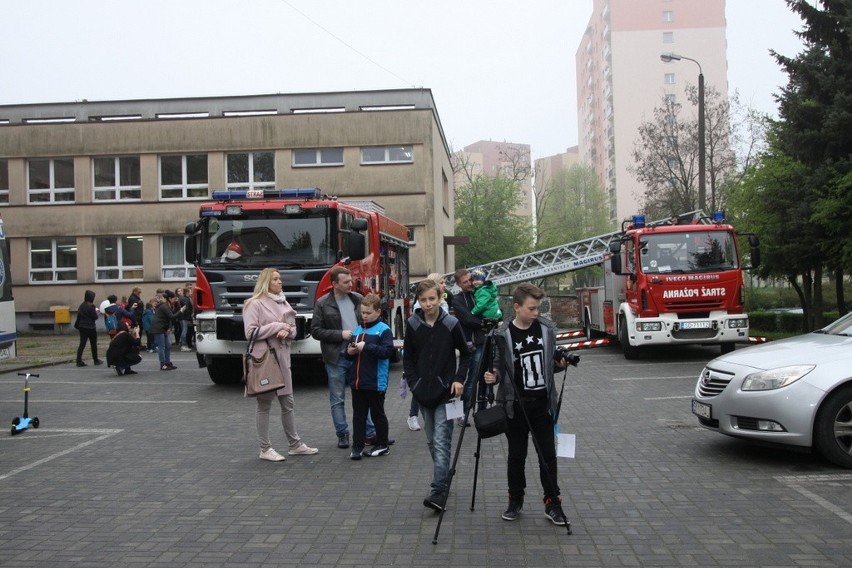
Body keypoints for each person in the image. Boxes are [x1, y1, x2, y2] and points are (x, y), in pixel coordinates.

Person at [483, 282, 570, 527]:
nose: (536, 313)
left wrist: (559, 365)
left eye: (538, 308)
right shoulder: (503, 335)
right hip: (515, 405)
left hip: (542, 404)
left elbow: (549, 363)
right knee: (516, 456)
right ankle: (515, 499)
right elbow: (499, 365)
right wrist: (495, 376)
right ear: (517, 307)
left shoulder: (546, 329)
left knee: (548, 456)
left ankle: (552, 502)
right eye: (532, 308)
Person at [402, 279, 471, 513]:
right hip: (423, 392)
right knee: (432, 441)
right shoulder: (412, 324)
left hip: (447, 393)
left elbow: (467, 354)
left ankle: (438, 490)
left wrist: (459, 379)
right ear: (418, 302)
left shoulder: (451, 323)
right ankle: (445, 475)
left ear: (440, 298)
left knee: (442, 441)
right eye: (423, 300)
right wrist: (414, 383)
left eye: (432, 299)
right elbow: (408, 358)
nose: (428, 304)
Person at [244, 267, 318, 462]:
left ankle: (295, 444)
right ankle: (265, 448)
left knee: (288, 402)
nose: (279, 282)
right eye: (275, 279)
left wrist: (288, 331)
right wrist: (279, 326)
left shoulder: (283, 301)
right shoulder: (254, 304)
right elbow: (250, 332)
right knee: (264, 404)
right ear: (266, 282)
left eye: (280, 279)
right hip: (265, 360)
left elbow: (293, 328)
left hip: (283, 359)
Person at [311, 266, 376, 449]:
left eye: (350, 280)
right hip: (336, 356)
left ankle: (369, 432)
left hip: (358, 353)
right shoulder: (323, 303)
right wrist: (341, 334)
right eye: (346, 282)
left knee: (364, 394)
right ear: (334, 284)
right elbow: (315, 331)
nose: (350, 284)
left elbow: (369, 321)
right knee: (337, 397)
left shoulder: (358, 299)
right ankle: (342, 434)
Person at [344, 293, 394, 460]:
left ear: (378, 312)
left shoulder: (384, 330)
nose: (364, 315)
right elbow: (349, 355)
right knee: (358, 416)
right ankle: (357, 446)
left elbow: (387, 352)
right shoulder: (357, 330)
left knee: (377, 414)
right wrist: (349, 352)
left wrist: (366, 347)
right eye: (362, 312)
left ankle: (382, 444)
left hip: (375, 381)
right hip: (357, 382)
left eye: (368, 313)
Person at [452, 268, 486, 413]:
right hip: (471, 344)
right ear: (459, 284)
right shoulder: (457, 300)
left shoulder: (481, 292)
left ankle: (482, 410)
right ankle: (464, 411)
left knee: (485, 377)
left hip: (486, 341)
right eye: (465, 282)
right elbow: (468, 320)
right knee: (471, 379)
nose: (469, 283)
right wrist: (485, 323)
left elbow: (493, 310)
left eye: (470, 279)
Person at [149, 291, 181, 371]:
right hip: (158, 328)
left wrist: (168, 327)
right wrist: (181, 311)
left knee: (168, 345)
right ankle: (163, 364)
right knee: (162, 347)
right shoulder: (164, 306)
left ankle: (167, 363)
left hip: (162, 327)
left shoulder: (168, 305)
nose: (175, 300)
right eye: (174, 298)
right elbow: (172, 317)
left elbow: (168, 318)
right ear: (169, 299)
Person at [75, 290, 103, 367]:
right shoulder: (91, 306)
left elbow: (79, 316)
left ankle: (78, 361)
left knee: (82, 344)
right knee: (93, 344)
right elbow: (95, 317)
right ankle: (96, 360)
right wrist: (97, 313)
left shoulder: (81, 305)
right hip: (90, 327)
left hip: (82, 327)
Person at [176, 287, 193, 352]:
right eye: (190, 291)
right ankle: (183, 345)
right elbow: (186, 309)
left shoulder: (187, 298)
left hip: (185, 317)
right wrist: (189, 316)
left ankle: (182, 344)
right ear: (187, 292)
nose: (191, 293)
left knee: (184, 331)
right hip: (184, 318)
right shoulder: (185, 299)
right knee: (184, 332)